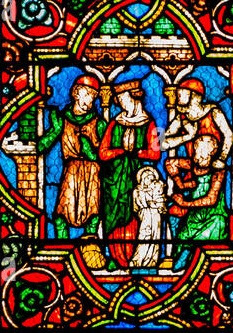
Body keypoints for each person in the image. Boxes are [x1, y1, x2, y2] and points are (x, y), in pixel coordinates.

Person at [36, 74, 107, 267]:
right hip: (71, 171)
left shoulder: (99, 123)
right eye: (86, 95)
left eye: (93, 97)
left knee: (93, 216)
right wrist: (52, 131)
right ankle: (61, 255)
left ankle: (91, 259)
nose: (89, 101)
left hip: (92, 174)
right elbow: (42, 146)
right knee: (60, 217)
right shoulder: (61, 118)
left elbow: (104, 156)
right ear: (76, 93)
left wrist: (88, 148)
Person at [98, 79, 160, 268]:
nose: (120, 103)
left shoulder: (151, 124)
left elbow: (156, 153)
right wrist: (121, 152)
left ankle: (137, 257)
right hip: (114, 179)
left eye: (122, 99)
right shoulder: (114, 123)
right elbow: (102, 152)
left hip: (137, 179)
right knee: (113, 218)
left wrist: (136, 153)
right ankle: (116, 258)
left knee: (137, 217)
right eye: (118, 100)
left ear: (134, 97)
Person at [167, 133, 230, 270]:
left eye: (205, 150)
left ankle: (194, 259)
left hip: (214, 215)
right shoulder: (192, 165)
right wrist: (180, 183)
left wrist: (185, 204)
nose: (201, 153)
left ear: (213, 152)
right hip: (195, 215)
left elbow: (211, 199)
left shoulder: (218, 171)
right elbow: (170, 163)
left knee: (213, 230)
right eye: (199, 149)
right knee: (183, 238)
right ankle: (185, 258)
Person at [131, 165, 165, 268]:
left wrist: (158, 205)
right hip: (145, 216)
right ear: (142, 179)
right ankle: (138, 260)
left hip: (156, 216)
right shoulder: (137, 191)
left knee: (155, 237)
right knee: (144, 235)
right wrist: (148, 203)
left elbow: (162, 204)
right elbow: (137, 205)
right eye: (147, 178)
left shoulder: (157, 189)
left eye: (151, 177)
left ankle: (152, 261)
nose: (149, 179)